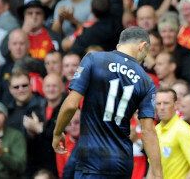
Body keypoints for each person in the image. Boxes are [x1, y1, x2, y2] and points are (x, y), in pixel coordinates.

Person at [51, 27, 163, 178]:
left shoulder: (93, 59)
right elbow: (148, 131)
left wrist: (58, 132)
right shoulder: (147, 81)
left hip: (92, 160)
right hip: (122, 162)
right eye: (146, 52)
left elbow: (71, 105)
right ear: (142, 46)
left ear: (119, 46)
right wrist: (158, 173)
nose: (144, 57)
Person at [155, 88, 190, 179]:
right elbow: (153, 167)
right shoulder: (155, 130)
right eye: (158, 103)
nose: (161, 107)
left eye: (166, 103)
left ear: (176, 105)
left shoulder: (183, 130)